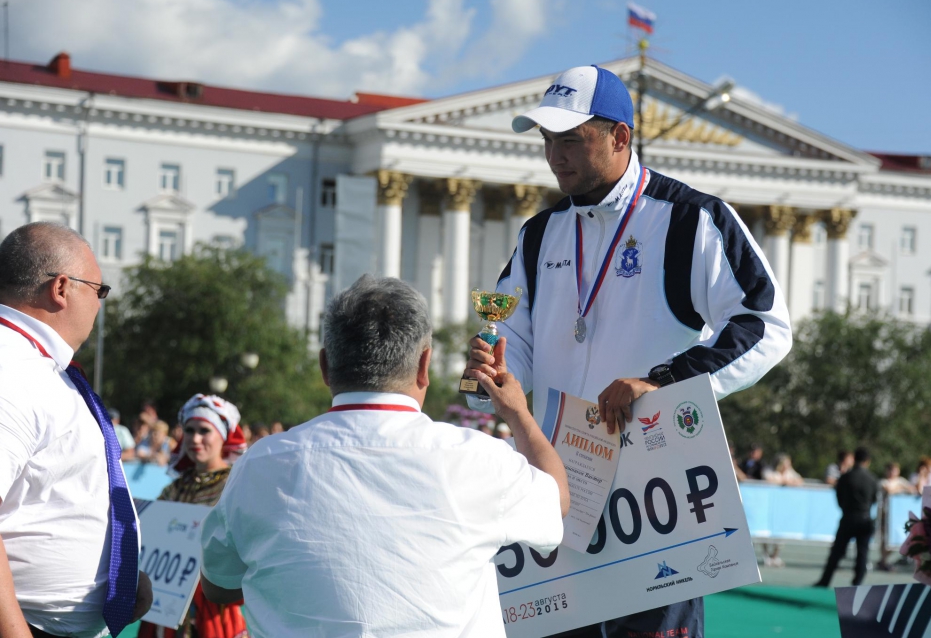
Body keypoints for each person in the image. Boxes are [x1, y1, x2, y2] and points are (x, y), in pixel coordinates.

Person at [465, 65, 792, 638]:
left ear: (620, 136)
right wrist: (492, 371)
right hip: (559, 493)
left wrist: (664, 381)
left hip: (654, 499)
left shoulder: (691, 218)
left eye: (570, 140)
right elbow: (515, 345)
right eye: (546, 140)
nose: (554, 155)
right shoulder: (538, 233)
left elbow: (765, 325)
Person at [200, 276, 569, 636]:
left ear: (325, 367)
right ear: (424, 365)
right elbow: (558, 499)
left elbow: (218, 583)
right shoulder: (478, 459)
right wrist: (517, 412)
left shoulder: (259, 464)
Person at [0, 222, 152, 638]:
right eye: (99, 290)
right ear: (62, 288)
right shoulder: (12, 369)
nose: (100, 305)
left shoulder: (37, 367)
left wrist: (118, 576)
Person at [138, 394, 248, 638]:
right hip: (163, 606)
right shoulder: (175, 487)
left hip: (214, 609)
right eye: (189, 430)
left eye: (204, 430)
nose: (195, 438)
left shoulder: (237, 486)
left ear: (223, 436)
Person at [816, 447, 879, 587]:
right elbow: (874, 499)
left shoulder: (845, 477)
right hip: (865, 518)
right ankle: (857, 582)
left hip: (848, 518)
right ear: (867, 461)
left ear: (854, 459)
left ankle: (825, 580)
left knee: (836, 552)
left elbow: (839, 497)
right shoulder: (872, 479)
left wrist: (846, 509)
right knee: (862, 553)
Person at [877, 462, 915, 570]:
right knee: (885, 539)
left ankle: (883, 560)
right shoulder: (883, 482)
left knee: (896, 540)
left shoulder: (901, 481)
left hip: (897, 515)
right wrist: (900, 488)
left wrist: (901, 487)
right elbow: (889, 490)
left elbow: (912, 490)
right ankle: (883, 560)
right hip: (885, 514)